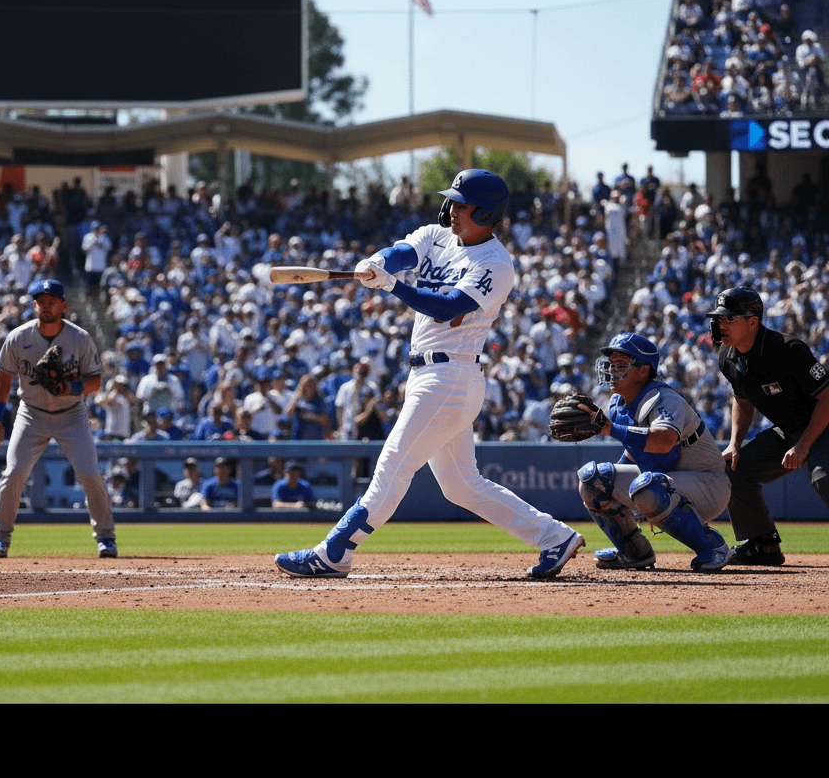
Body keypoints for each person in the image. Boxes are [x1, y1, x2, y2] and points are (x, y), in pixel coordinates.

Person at [275, 169, 585, 581]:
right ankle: (554, 537)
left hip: (451, 377)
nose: (452, 209)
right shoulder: (436, 236)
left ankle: (334, 552)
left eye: (462, 203)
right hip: (427, 374)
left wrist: (392, 288)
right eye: (452, 201)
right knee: (461, 486)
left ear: (487, 211)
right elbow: (402, 252)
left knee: (392, 466)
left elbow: (447, 306)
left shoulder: (496, 263)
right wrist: (378, 263)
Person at [575, 333, 731, 572]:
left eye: (621, 364)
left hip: (709, 484)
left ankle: (712, 546)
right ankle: (633, 552)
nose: (611, 371)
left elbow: (663, 441)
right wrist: (614, 491)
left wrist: (609, 429)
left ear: (643, 370)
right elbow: (634, 454)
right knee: (593, 479)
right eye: (610, 364)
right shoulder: (618, 403)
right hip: (665, 479)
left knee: (647, 486)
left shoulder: (663, 398)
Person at [0, 278, 117, 558]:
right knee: (14, 471)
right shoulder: (19, 337)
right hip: (31, 413)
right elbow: (3, 379)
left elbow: (95, 381)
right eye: (41, 301)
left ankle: (106, 537)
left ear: (63, 305)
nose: (46, 306)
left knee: (90, 473)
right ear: (34, 305)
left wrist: (72, 387)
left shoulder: (79, 337)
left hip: (72, 413)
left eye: (52, 301)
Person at [707, 286, 829, 565]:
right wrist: (734, 444)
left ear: (753, 322)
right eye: (719, 318)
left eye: (729, 318)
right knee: (734, 468)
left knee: (823, 476)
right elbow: (742, 400)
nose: (720, 324)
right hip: (788, 431)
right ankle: (763, 545)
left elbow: (827, 397)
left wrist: (804, 444)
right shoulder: (728, 356)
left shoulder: (787, 349)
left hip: (823, 426)